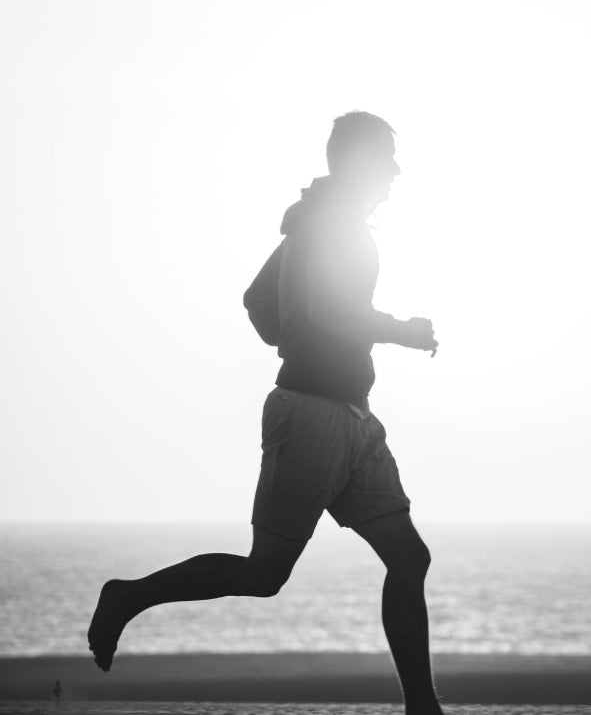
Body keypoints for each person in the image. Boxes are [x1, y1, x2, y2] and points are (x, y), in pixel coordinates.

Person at [86, 111, 445, 715]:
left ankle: (421, 709)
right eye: (386, 156)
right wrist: (399, 331)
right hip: (310, 414)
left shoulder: (323, 224)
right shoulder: (332, 226)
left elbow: (259, 302)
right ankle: (127, 596)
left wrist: (302, 334)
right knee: (264, 574)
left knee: (409, 557)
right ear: (356, 161)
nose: (395, 170)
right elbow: (330, 313)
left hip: (353, 416)